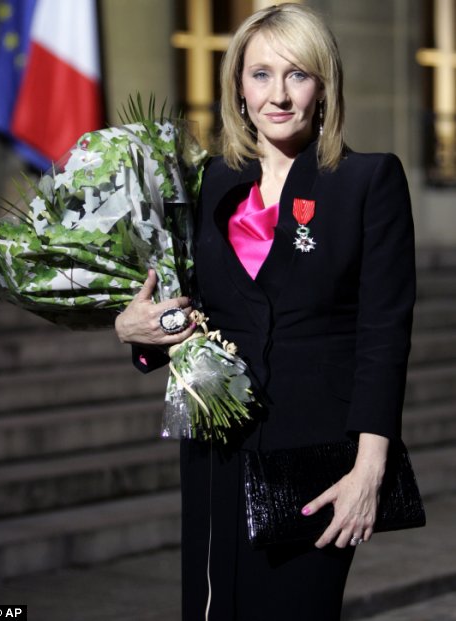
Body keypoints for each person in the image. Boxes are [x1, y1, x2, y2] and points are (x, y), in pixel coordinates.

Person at [115, 4, 415, 620]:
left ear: (323, 87)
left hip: (317, 461)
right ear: (238, 88)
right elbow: (188, 307)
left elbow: (384, 335)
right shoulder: (208, 183)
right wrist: (136, 329)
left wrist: (370, 469)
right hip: (215, 446)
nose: (278, 95)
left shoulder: (367, 180)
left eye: (297, 75)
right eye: (261, 75)